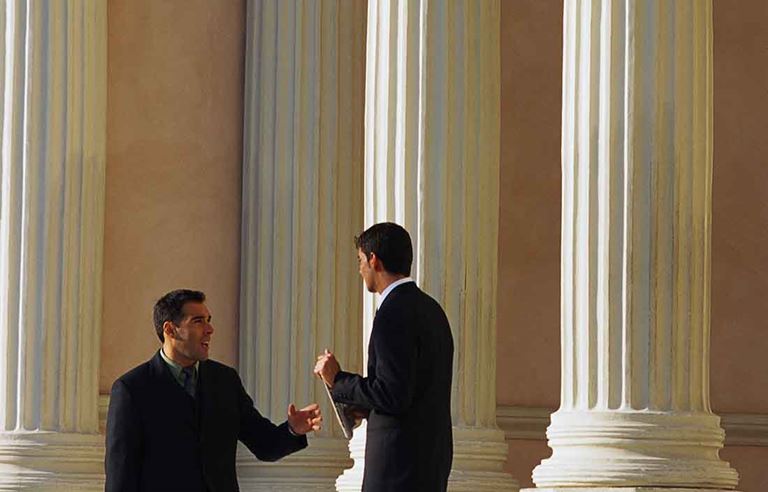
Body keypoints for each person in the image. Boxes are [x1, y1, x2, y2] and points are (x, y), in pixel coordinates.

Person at [105, 289, 322, 492]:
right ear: (170, 329)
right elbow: (120, 478)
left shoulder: (225, 381)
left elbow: (264, 444)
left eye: (209, 321)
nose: (209, 329)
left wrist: (293, 430)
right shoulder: (132, 389)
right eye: (198, 321)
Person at [314, 222, 454, 491]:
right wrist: (360, 406)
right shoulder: (432, 310)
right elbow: (412, 389)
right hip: (430, 461)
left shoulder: (393, 312)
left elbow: (393, 394)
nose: (359, 269)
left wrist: (338, 379)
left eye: (360, 260)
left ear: (373, 259)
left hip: (397, 466)